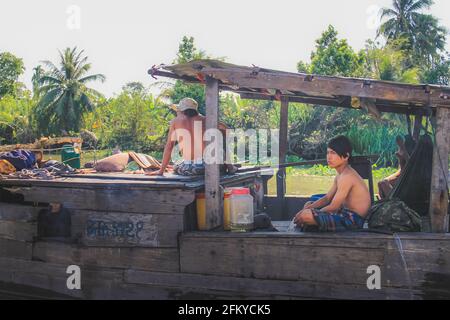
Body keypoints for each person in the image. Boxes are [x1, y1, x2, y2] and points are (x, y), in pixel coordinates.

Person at [294, 136, 371, 232]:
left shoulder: (348, 176)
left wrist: (312, 213)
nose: (329, 157)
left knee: (306, 216)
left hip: (353, 220)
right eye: (328, 152)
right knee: (308, 204)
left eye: (333, 153)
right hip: (344, 213)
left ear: (346, 156)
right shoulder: (340, 175)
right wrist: (308, 208)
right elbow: (327, 198)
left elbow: (334, 207)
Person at [147, 98, 236, 176]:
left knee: (177, 165)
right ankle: (230, 167)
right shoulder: (205, 119)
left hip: (189, 169)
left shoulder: (175, 121)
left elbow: (169, 146)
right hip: (211, 167)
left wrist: (161, 170)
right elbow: (228, 130)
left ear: (181, 110)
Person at [377, 135, 410, 199]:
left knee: (383, 183)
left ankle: (393, 199)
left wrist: (402, 156)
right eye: (397, 141)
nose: (398, 142)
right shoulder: (399, 149)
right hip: (399, 171)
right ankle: (383, 200)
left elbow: (409, 163)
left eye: (399, 141)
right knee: (379, 183)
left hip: (403, 174)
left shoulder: (405, 151)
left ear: (403, 141)